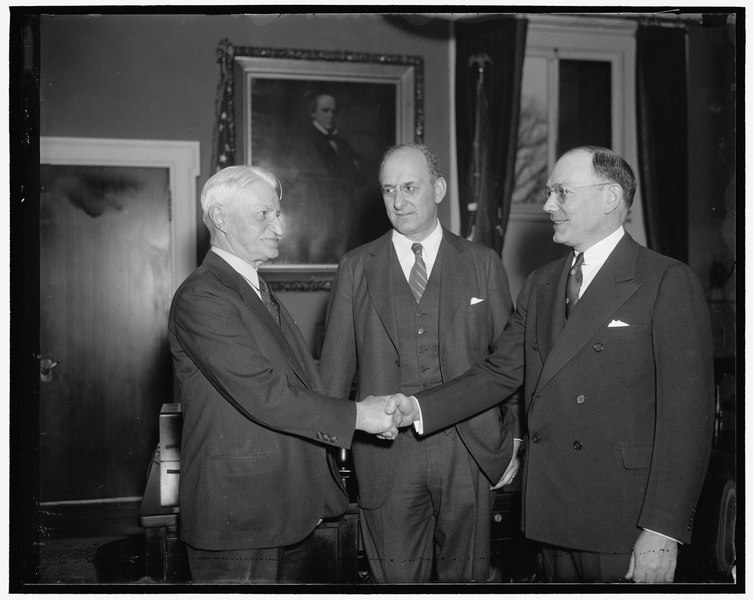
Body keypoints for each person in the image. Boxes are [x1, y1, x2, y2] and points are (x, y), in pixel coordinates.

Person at [386, 146, 715, 584]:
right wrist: (419, 407)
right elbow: (498, 371)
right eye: (548, 192)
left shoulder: (666, 281)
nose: (547, 206)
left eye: (562, 193)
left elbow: (687, 423)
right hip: (552, 515)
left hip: (626, 522)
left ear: (610, 197)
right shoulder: (542, 284)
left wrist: (662, 529)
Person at [167, 165, 397, 583]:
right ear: (220, 219)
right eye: (263, 215)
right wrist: (359, 416)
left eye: (278, 213)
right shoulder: (202, 296)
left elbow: (299, 380)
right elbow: (265, 394)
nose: (279, 225)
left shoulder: (253, 286)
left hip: (276, 504)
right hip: (237, 513)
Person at [319, 144, 521, 583]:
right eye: (389, 189)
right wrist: (328, 457)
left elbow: (510, 362)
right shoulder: (357, 267)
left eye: (410, 187)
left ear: (440, 189)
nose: (398, 201)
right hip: (385, 456)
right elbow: (335, 372)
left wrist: (512, 443)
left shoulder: (482, 263)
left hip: (468, 449)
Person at [276, 92, 376, 264]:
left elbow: (361, 172)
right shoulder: (304, 142)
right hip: (317, 216)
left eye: (333, 111)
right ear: (313, 113)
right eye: (325, 110)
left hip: (343, 215)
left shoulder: (342, 143)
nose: (330, 116)